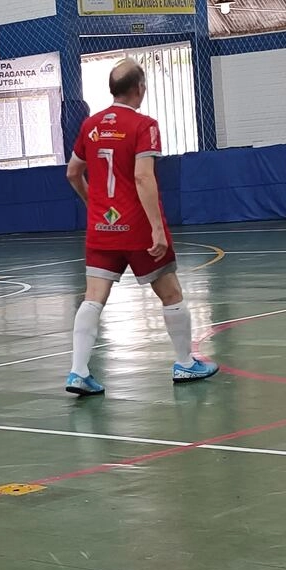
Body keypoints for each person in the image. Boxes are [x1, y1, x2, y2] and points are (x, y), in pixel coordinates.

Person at [64, 59, 218, 395]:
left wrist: (94, 204)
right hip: (136, 227)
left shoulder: (90, 125)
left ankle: (78, 372)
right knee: (171, 293)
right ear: (140, 89)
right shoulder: (144, 124)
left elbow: (73, 172)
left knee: (93, 297)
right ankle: (185, 364)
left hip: (102, 227)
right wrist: (157, 231)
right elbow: (142, 176)